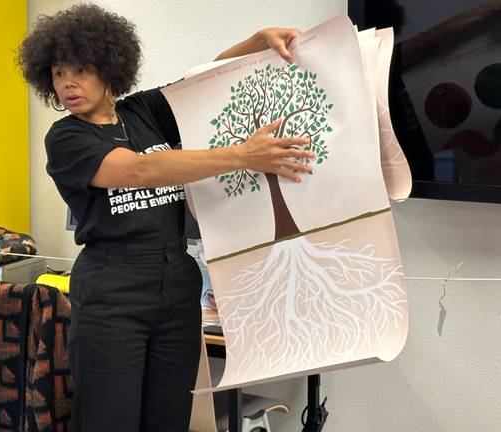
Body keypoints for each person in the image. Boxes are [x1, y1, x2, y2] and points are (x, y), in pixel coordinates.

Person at [18, 4, 312, 431]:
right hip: (112, 287)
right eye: (59, 73)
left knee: (169, 418)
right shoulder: (66, 137)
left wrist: (256, 40)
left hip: (177, 282)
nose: (68, 83)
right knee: (109, 420)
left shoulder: (143, 113)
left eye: (80, 70)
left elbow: (202, 85)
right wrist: (242, 156)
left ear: (109, 71)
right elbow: (138, 170)